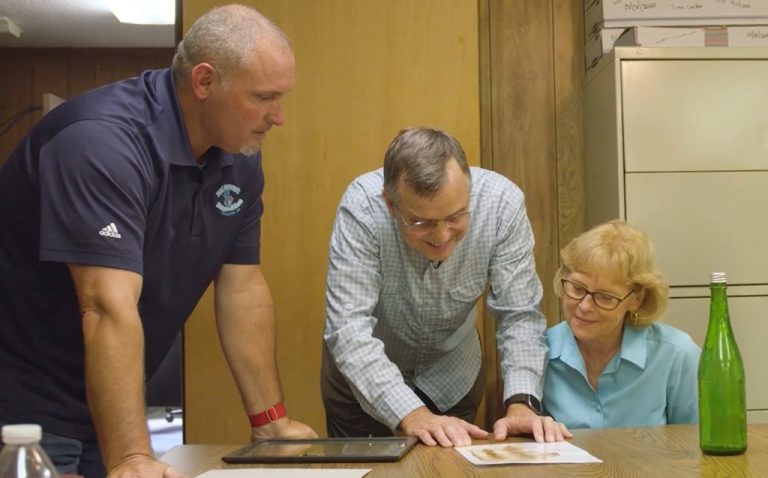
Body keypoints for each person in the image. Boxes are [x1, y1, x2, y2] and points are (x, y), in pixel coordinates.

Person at [0, 5, 316, 478]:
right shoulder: (100, 143)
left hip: (100, 404)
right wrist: (132, 457)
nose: (279, 117)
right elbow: (106, 307)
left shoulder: (240, 156)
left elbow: (241, 288)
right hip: (27, 418)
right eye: (264, 97)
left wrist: (270, 422)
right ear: (204, 82)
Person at [321, 126, 571, 448]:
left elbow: (519, 314)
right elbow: (348, 327)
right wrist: (413, 413)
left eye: (455, 217)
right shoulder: (363, 208)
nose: (441, 237)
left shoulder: (501, 205)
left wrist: (522, 402)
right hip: (363, 383)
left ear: (469, 190)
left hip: (452, 376)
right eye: (421, 222)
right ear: (390, 203)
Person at [543, 220, 700, 428]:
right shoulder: (540, 351)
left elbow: (699, 445)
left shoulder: (677, 355)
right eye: (577, 288)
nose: (584, 306)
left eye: (605, 297)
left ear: (637, 299)